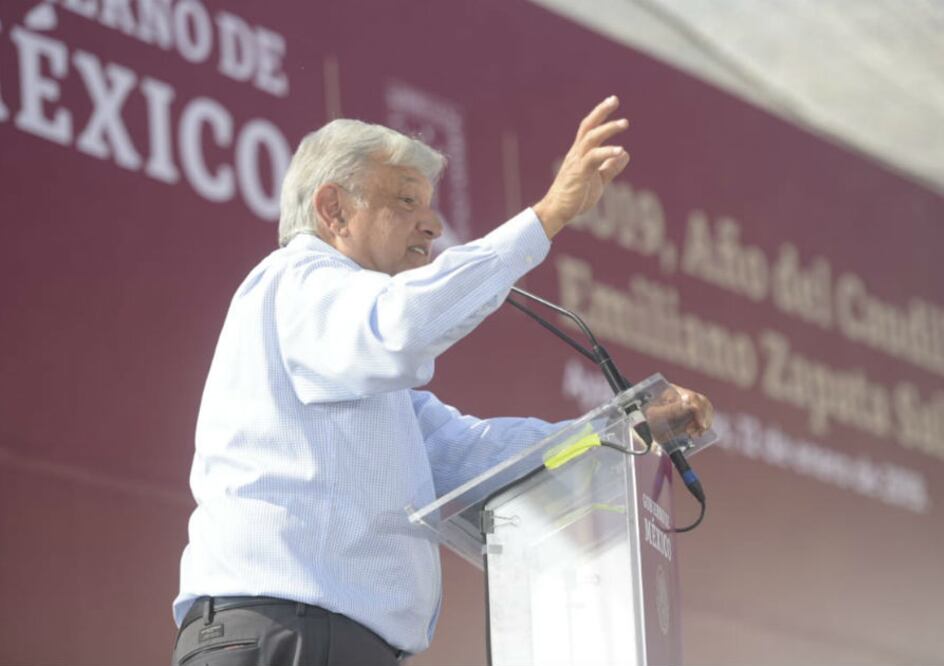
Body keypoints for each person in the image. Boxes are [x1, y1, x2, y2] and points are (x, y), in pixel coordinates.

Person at [171, 96, 713, 665]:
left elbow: (479, 460)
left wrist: (629, 432)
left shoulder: (361, 369)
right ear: (333, 209)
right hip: (285, 636)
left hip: (336, 644)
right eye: (405, 200)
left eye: (429, 206)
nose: (432, 224)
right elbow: (400, 323)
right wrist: (547, 216)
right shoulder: (296, 282)